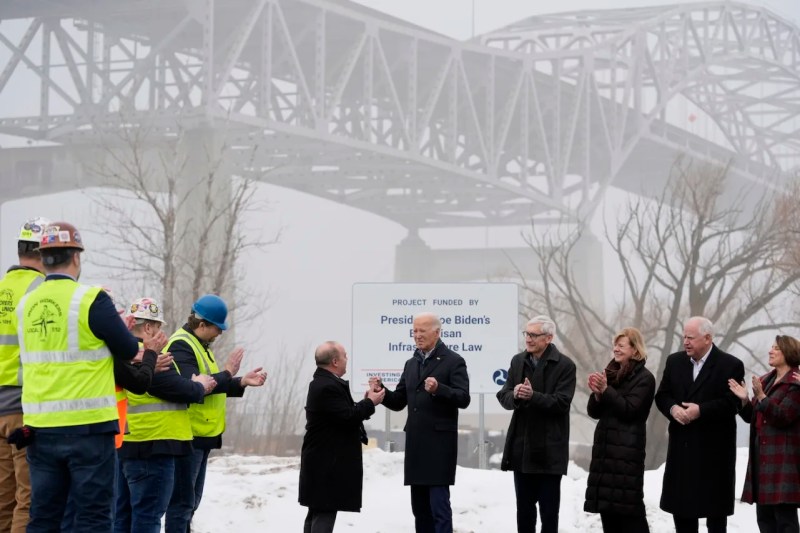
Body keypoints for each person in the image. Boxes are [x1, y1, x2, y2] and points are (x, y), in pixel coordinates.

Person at [16, 221, 141, 532]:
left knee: (44, 517)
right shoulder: (92, 299)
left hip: (41, 428)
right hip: (89, 430)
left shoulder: (26, 305)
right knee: (93, 518)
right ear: (76, 258)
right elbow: (127, 350)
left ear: (43, 258)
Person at [164, 294, 267, 533]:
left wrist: (240, 382)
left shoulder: (200, 346)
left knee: (191, 503)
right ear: (202, 325)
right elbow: (195, 386)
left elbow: (213, 384)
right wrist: (228, 372)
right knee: (182, 504)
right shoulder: (182, 346)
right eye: (217, 328)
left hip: (202, 435)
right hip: (188, 435)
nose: (219, 334)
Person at [116, 297, 216, 533]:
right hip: (155, 445)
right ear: (149, 328)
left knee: (123, 515)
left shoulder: (123, 356)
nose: (162, 333)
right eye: (159, 327)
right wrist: (199, 385)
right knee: (148, 516)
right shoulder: (152, 358)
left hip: (130, 443)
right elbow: (177, 388)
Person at [369, 312, 470, 533]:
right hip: (416, 444)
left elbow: (464, 398)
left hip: (439, 445)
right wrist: (382, 391)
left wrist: (439, 389)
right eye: (414, 331)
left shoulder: (454, 361)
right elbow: (398, 401)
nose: (417, 335)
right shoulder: (411, 363)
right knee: (420, 508)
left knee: (439, 508)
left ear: (437, 332)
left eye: (422, 331)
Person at [655, 316, 744, 533]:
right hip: (682, 449)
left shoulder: (730, 365)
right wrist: (673, 409)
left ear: (707, 338)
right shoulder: (675, 361)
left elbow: (732, 403)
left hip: (714, 453)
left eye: (691, 338)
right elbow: (662, 395)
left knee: (715, 517)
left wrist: (700, 411)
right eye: (684, 336)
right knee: (683, 514)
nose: (685, 342)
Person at [496, 315, 576, 533]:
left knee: (549, 514)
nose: (528, 339)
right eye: (526, 334)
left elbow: (562, 403)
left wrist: (533, 396)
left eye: (533, 335)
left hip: (550, 450)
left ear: (548, 338)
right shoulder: (517, 361)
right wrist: (516, 394)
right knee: (524, 511)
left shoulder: (565, 366)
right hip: (522, 448)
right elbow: (503, 396)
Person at [298, 341, 385, 532]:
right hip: (327, 462)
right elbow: (348, 417)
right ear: (335, 361)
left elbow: (343, 413)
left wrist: (365, 402)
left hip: (322, 459)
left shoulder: (325, 383)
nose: (347, 359)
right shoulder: (327, 386)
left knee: (317, 510)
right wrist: (371, 402)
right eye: (345, 356)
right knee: (324, 511)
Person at [0, 217, 49, 532]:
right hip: (23, 406)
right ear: (46, 254)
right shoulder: (42, 291)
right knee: (29, 499)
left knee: (3, 499)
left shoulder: (2, 288)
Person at [584, 327, 655, 533]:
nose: (616, 349)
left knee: (630, 513)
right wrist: (597, 394)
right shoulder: (610, 373)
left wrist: (606, 391)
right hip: (604, 454)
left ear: (635, 350)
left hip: (626, 454)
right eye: (615, 345)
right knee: (608, 513)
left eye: (621, 345)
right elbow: (593, 412)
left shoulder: (645, 378)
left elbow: (630, 410)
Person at [729, 335, 800, 533]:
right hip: (763, 458)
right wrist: (745, 400)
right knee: (765, 520)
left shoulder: (795, 383)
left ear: (788, 353)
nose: (771, 351)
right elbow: (753, 417)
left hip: (783, 461)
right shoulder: (766, 381)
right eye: (771, 347)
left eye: (776, 348)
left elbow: (783, 416)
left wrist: (761, 396)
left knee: (785, 521)